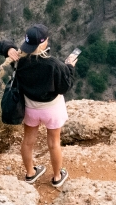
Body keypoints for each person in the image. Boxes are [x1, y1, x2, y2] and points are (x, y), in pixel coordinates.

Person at [11, 24, 77, 188]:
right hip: (52, 109)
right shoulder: (53, 64)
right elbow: (64, 87)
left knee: (27, 141)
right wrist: (69, 67)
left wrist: (8, 50)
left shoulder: (20, 62)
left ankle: (30, 173)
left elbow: (4, 48)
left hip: (31, 109)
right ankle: (56, 176)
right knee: (54, 143)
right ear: (42, 43)